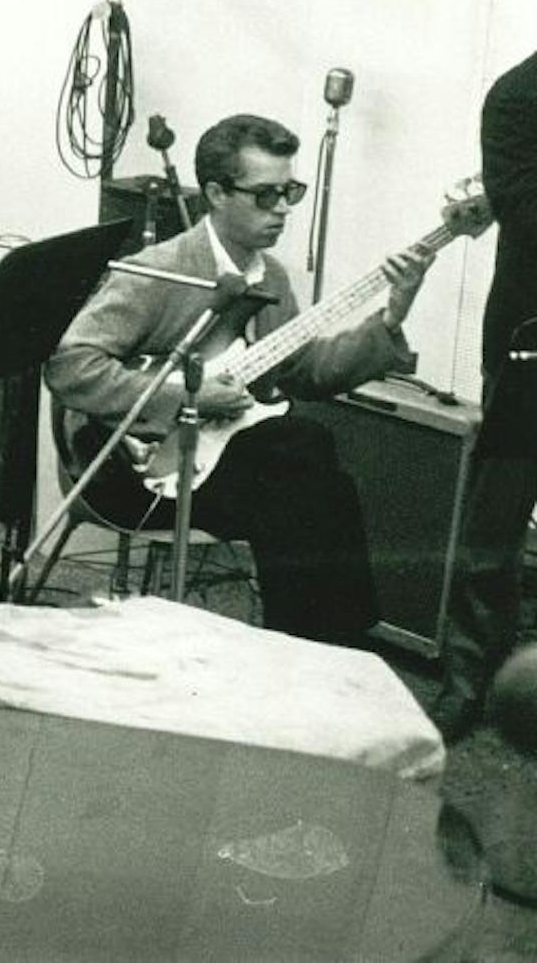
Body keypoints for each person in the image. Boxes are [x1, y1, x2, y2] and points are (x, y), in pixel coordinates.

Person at [45, 113, 433, 644]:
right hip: (133, 469)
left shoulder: (270, 276)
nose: (282, 211)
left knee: (310, 477)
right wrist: (188, 397)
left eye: (290, 192)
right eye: (265, 195)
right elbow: (70, 365)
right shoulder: (159, 270)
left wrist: (392, 316)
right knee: (303, 460)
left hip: (226, 458)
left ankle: (311, 645)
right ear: (216, 194)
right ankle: (322, 649)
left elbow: (303, 371)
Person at [434, 52, 537, 739]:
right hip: (532, 339)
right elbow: (528, 212)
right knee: (494, 532)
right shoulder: (517, 98)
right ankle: (470, 687)